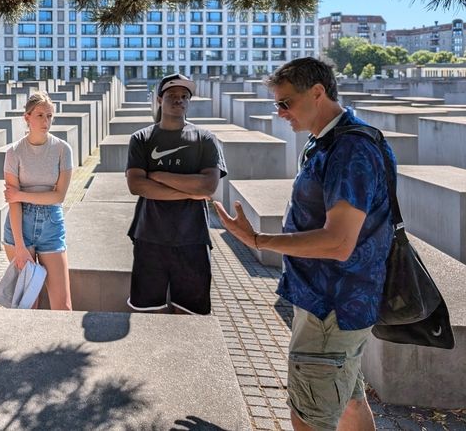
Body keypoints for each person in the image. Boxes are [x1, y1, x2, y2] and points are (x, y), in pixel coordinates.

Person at [215, 57, 394, 431]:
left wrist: (258, 239)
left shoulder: (350, 150)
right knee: (347, 401)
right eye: (275, 104)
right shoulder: (328, 142)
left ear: (317, 93)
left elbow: (339, 242)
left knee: (310, 417)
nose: (280, 113)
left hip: (331, 308)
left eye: (286, 102)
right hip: (334, 304)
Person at [125, 72, 227, 315]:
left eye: (184, 96)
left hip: (193, 238)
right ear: (160, 99)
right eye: (172, 95)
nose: (179, 100)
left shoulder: (205, 139)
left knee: (191, 313)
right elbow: (137, 185)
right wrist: (190, 191)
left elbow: (208, 187)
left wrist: (158, 176)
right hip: (149, 235)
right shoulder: (142, 138)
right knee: (148, 312)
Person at [2, 92, 73, 309]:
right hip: (19, 225)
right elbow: (13, 203)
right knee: (28, 304)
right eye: (40, 115)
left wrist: (22, 194)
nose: (46, 121)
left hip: (51, 222)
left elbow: (59, 196)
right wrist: (21, 247)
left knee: (62, 304)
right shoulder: (14, 152)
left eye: (50, 116)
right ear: (27, 118)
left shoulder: (62, 149)